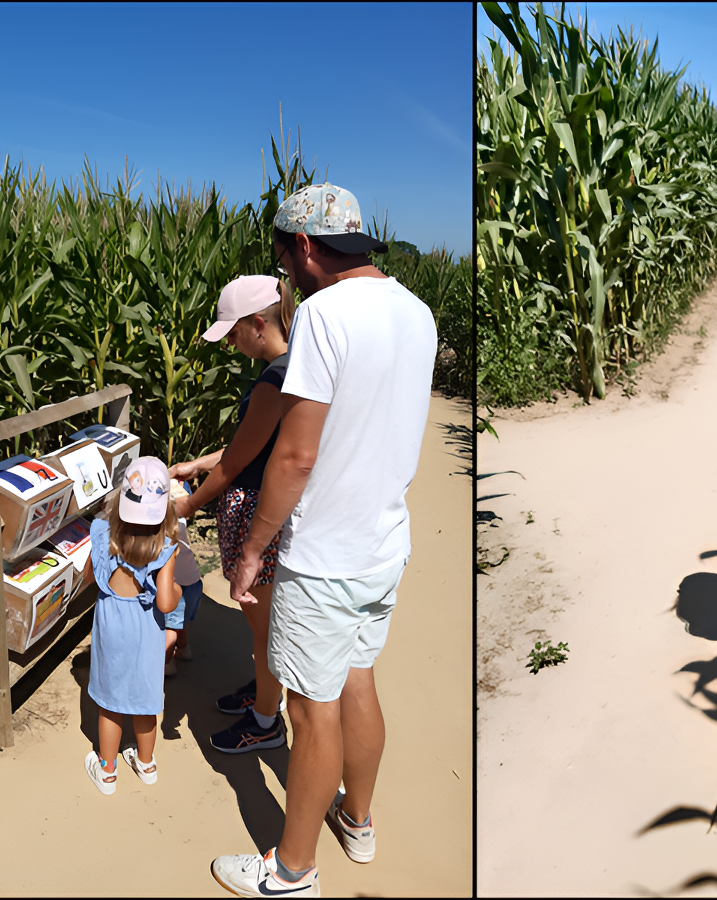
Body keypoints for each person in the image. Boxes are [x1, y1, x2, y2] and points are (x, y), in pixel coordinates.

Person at [209, 183, 437, 898]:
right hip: (383, 544)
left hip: (325, 550)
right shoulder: (415, 310)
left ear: (305, 246)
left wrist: (253, 549)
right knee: (359, 679)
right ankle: (358, 820)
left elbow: (295, 457)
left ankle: (291, 871)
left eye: (283, 255)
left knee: (311, 710)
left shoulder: (325, 315)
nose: (284, 271)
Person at [169, 274, 294, 753]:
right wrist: (197, 464)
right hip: (265, 507)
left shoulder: (273, 380)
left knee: (262, 625)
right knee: (260, 622)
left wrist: (189, 504)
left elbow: (239, 462)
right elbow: (248, 445)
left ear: (258, 324)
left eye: (235, 332)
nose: (232, 344)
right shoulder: (290, 367)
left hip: (255, 511)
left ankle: (265, 722)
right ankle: (263, 693)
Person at [83, 456, 182, 795]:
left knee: (110, 704)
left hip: (111, 625)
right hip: (146, 632)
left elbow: (89, 577)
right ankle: (146, 763)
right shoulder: (166, 548)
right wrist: (178, 589)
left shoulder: (101, 533)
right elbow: (167, 603)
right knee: (144, 700)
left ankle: (107, 770)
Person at [163, 498, 204, 677]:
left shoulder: (161, 533)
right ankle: (183, 648)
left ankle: (167, 663)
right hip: (194, 581)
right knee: (183, 621)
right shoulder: (180, 522)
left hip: (175, 584)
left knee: (169, 627)